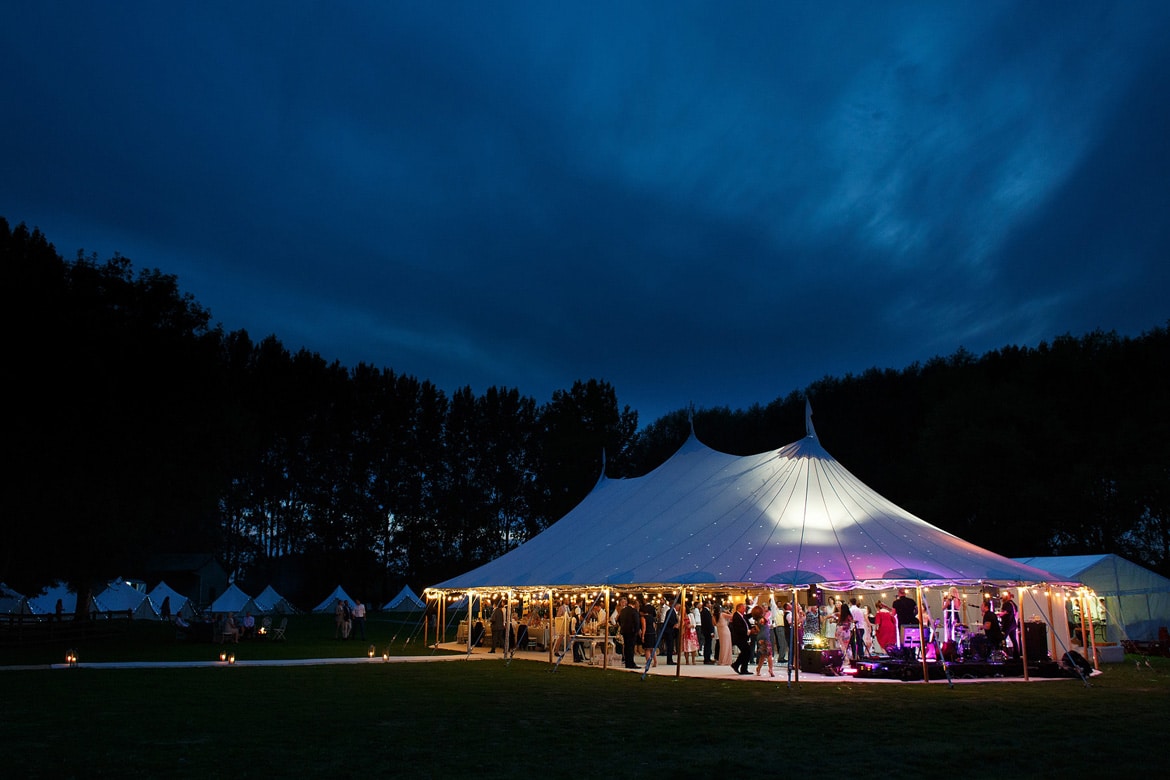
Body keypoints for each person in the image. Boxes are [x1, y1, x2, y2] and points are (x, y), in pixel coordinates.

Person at [730, 602, 754, 675]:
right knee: (747, 651)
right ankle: (740, 667)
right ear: (739, 608)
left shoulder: (742, 616)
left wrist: (754, 612)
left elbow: (747, 616)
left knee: (746, 652)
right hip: (739, 638)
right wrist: (749, 631)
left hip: (743, 637)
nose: (744, 609)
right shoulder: (736, 616)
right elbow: (739, 629)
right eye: (743, 608)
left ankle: (738, 665)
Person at [617, 597, 640, 669]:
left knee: (626, 647)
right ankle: (631, 663)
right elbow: (637, 622)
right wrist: (637, 630)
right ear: (634, 604)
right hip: (632, 631)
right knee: (631, 648)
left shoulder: (623, 611)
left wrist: (622, 626)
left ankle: (627, 662)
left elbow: (619, 619)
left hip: (624, 631)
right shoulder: (634, 611)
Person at [753, 605, 775, 677]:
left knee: (763, 654)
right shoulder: (763, 619)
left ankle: (758, 668)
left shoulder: (756, 621)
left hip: (760, 637)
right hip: (765, 637)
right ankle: (770, 669)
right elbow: (769, 614)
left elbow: (758, 630)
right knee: (769, 653)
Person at [998, 591, 1020, 658]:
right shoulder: (1013, 604)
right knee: (1014, 639)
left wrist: (997, 614)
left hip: (1008, 624)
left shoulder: (1007, 604)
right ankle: (1016, 655)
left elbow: (1005, 612)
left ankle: (1001, 653)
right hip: (1013, 624)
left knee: (1001, 638)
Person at [639, 596, 658, 668]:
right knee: (653, 648)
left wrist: (643, 635)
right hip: (652, 633)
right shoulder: (651, 617)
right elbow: (654, 626)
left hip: (647, 633)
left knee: (647, 649)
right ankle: (655, 661)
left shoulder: (643, 618)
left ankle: (648, 662)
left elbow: (644, 627)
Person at [700, 600, 716, 664]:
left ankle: (707, 658)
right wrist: (711, 631)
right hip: (707, 631)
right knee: (708, 644)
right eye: (709, 603)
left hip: (705, 630)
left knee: (707, 644)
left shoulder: (704, 611)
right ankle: (707, 659)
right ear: (706, 604)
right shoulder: (706, 612)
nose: (710, 605)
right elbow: (709, 623)